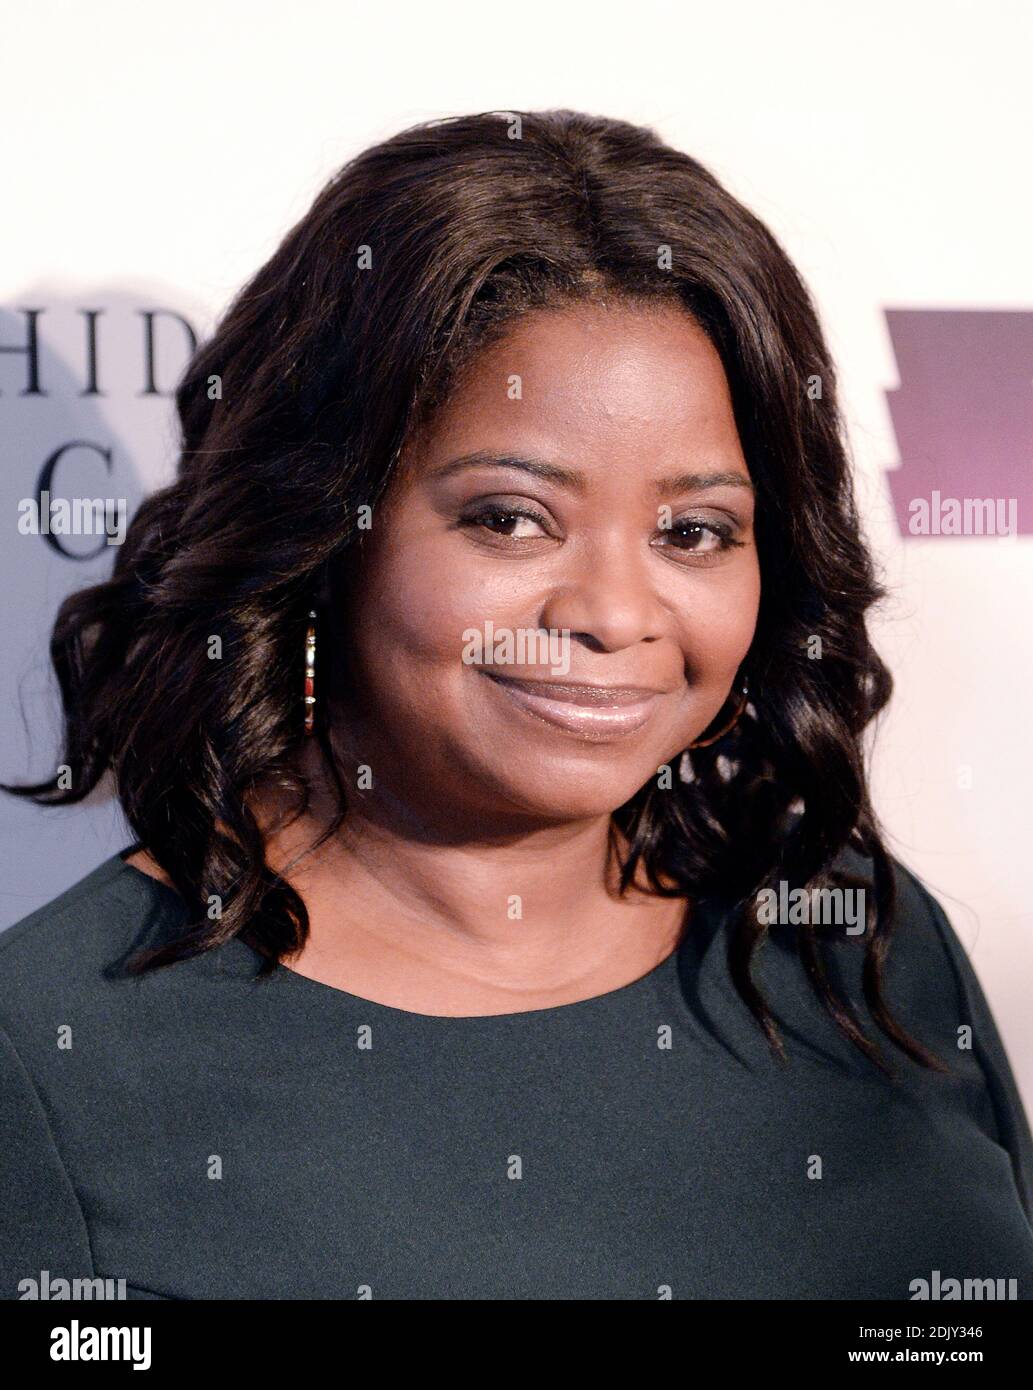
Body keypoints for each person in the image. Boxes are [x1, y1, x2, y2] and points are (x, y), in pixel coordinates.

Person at [2, 108, 1031, 1301]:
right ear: (323, 533)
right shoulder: (50, 1052)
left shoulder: (855, 940)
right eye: (507, 517)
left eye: (692, 532)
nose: (611, 610)